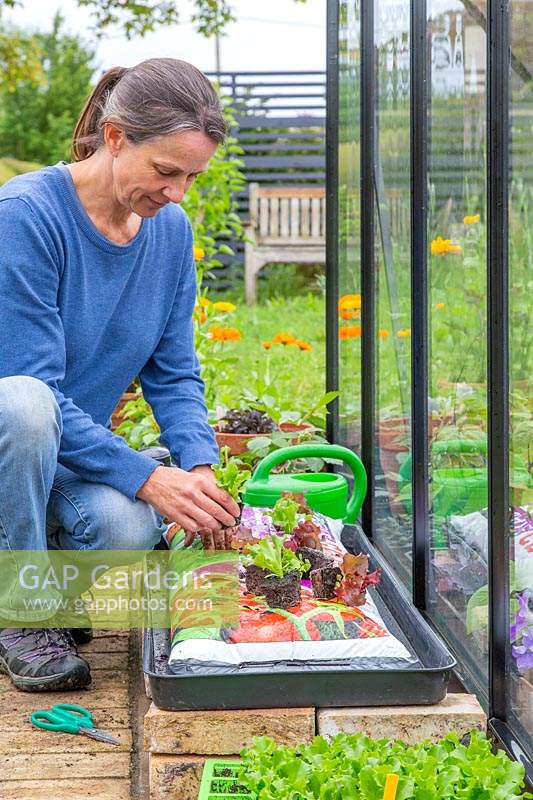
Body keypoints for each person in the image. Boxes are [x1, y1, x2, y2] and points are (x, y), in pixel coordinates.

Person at [0, 58, 240, 692]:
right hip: (10, 444)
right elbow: (34, 393)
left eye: (193, 176)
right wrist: (145, 473)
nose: (178, 192)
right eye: (165, 171)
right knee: (24, 403)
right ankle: (20, 609)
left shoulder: (168, 233)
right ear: (114, 137)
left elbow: (176, 371)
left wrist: (196, 468)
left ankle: (40, 572)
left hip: (62, 463)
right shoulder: (24, 217)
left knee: (125, 527)